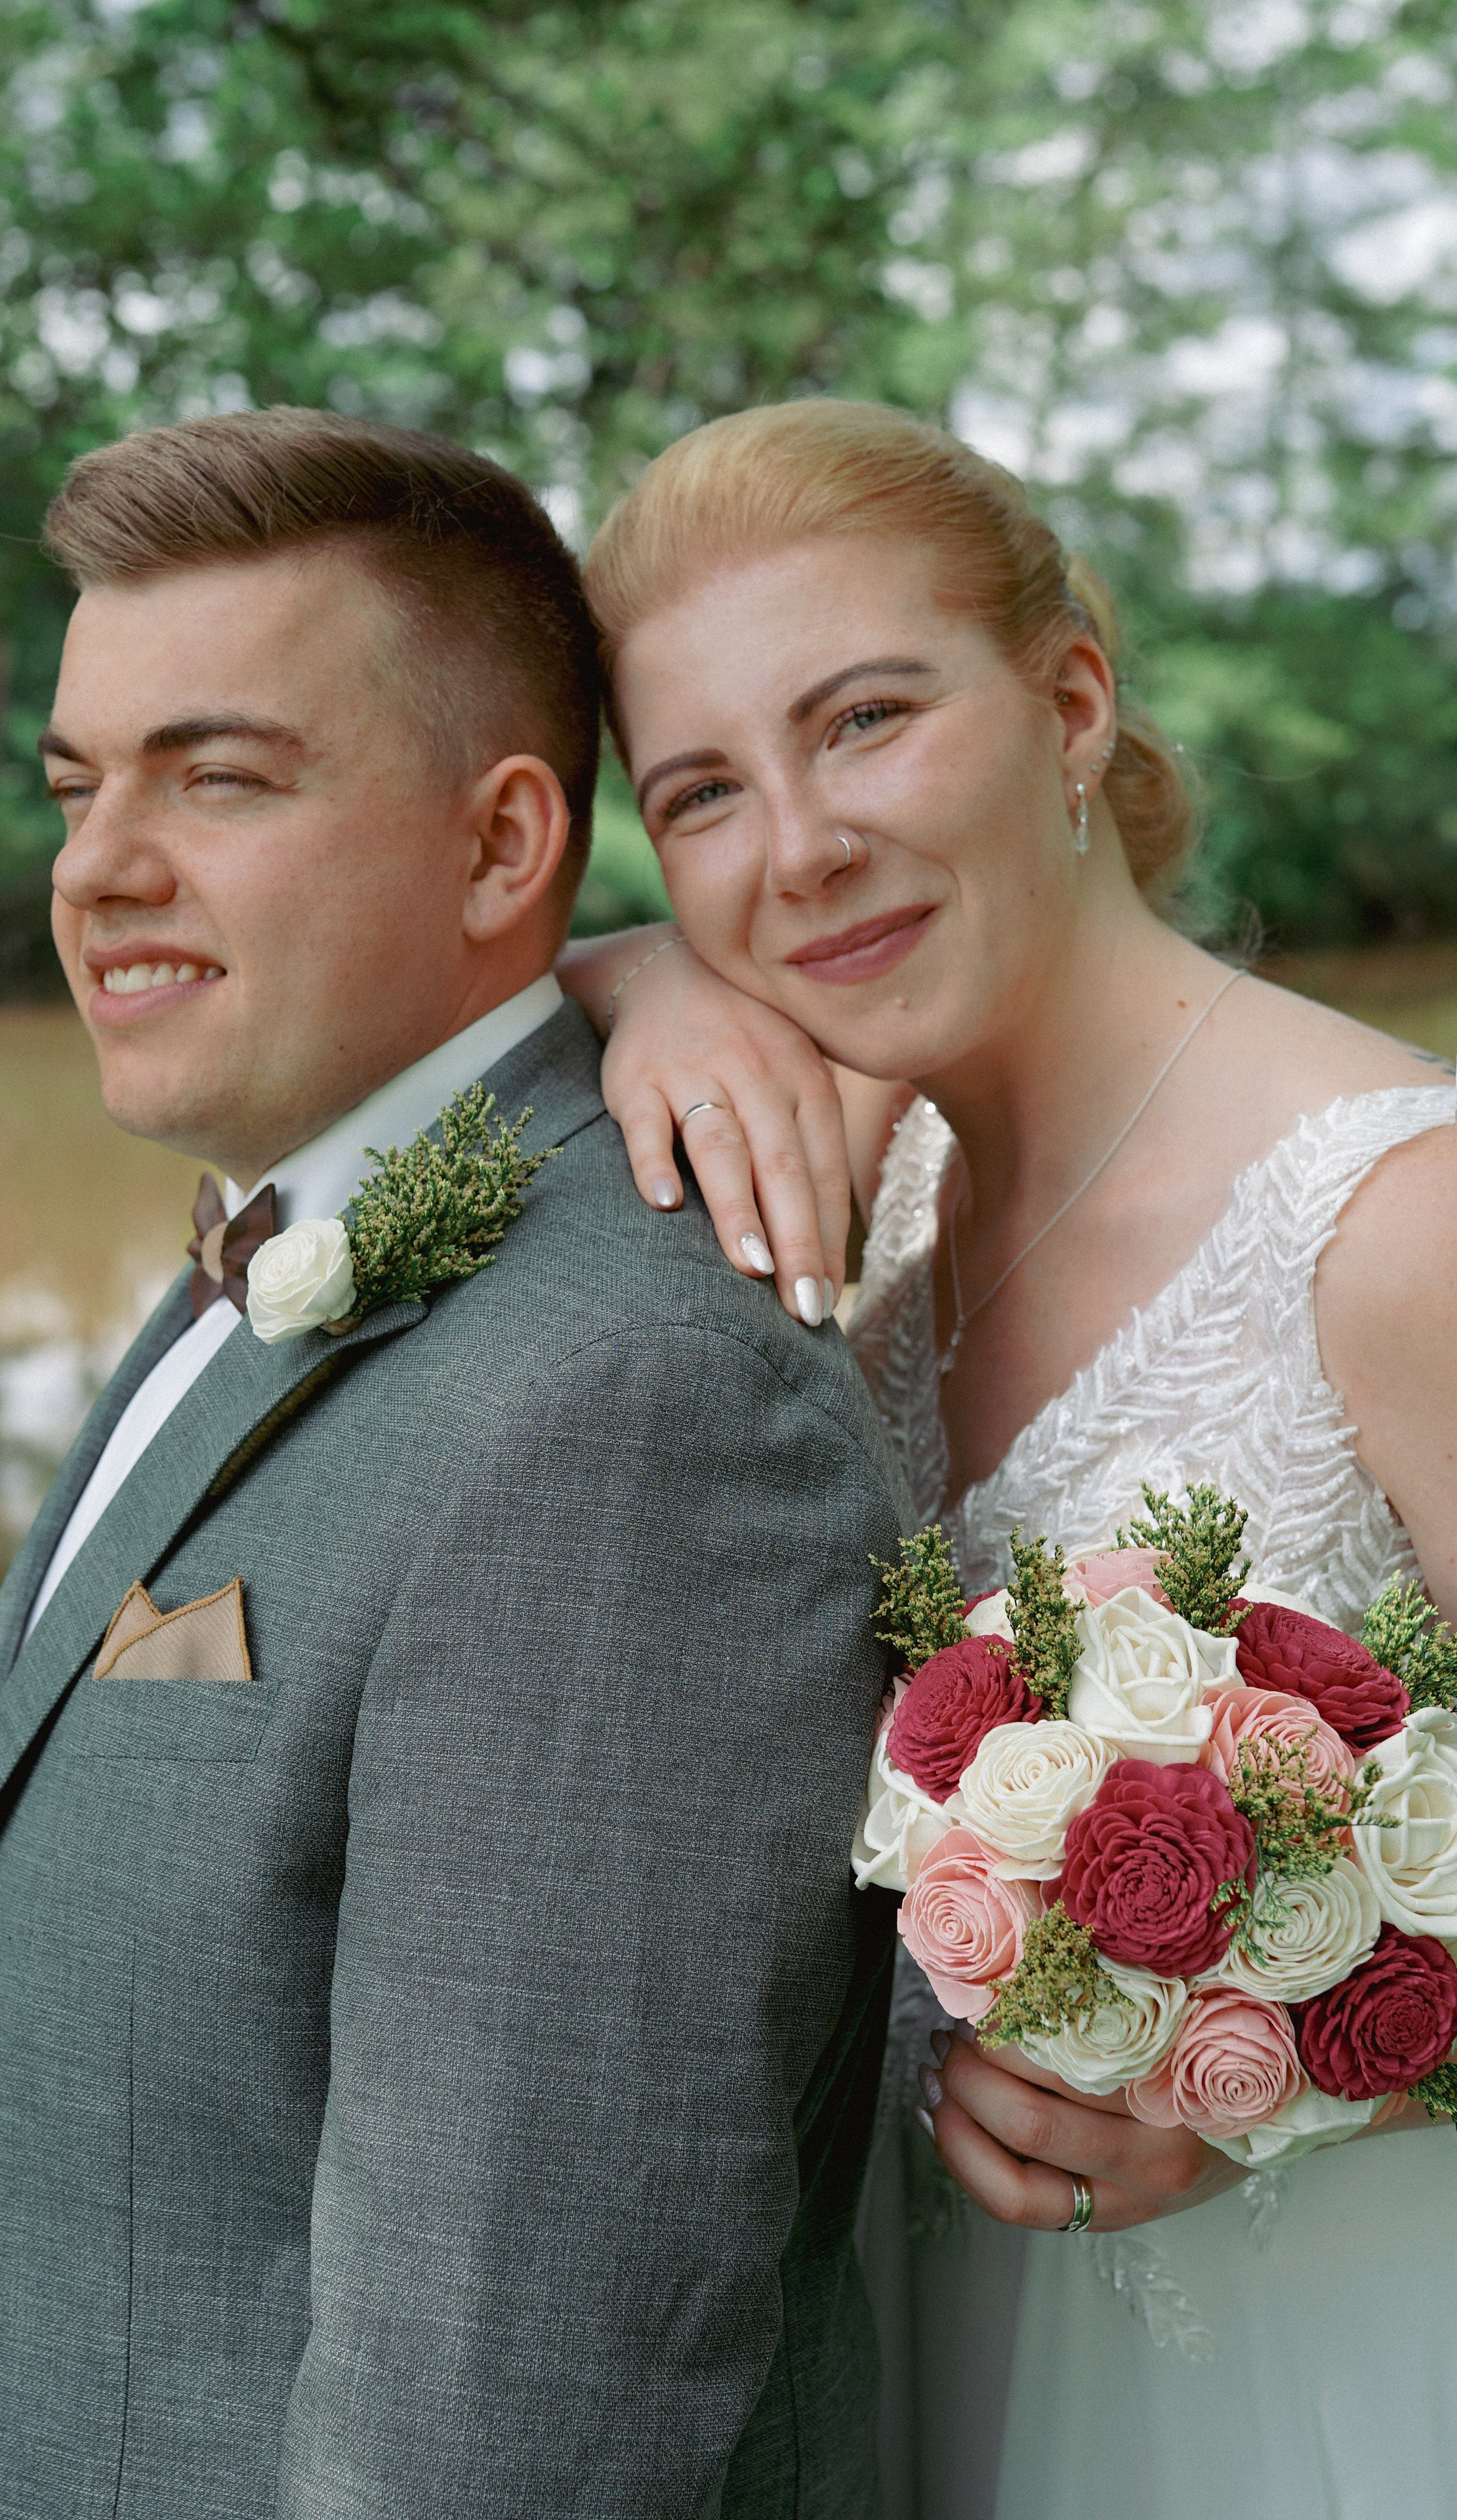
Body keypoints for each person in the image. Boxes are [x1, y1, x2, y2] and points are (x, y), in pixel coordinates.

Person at [0, 409, 908, 2519]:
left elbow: (507, 2409)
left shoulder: (631, 1409)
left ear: (500, 851)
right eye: (76, 781)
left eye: (217, 776)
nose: (96, 864)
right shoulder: (298, 1220)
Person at [556, 398, 1457, 2520]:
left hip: (1324, 2379)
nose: (797, 849)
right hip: (932, 2366)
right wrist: (633, 986)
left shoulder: (1396, 1226)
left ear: (1069, 702)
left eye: (864, 719)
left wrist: (1345, 2073)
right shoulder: (856, 1183)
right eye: (701, 795)